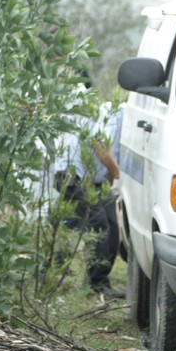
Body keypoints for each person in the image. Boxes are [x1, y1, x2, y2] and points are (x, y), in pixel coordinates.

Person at [53, 102, 124, 299]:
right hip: (70, 176)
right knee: (98, 224)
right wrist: (119, 177)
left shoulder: (121, 120)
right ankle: (96, 284)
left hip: (95, 180)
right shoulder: (112, 115)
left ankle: (100, 280)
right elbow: (100, 147)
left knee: (112, 225)